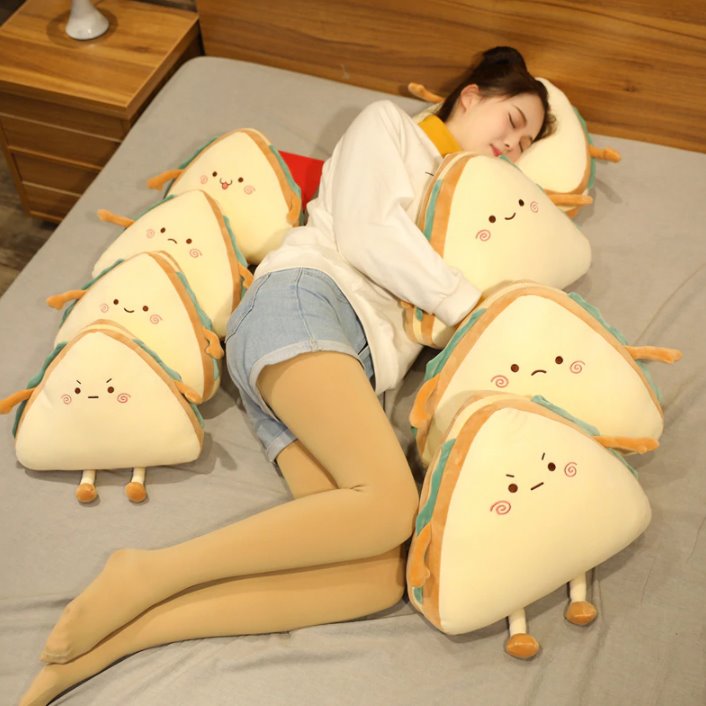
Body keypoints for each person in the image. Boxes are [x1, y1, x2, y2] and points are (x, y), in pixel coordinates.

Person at [19, 46, 554, 705]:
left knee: (379, 578)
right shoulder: (392, 128)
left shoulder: (473, 209)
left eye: (526, 143)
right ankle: (149, 573)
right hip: (304, 302)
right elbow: (364, 230)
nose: (514, 144)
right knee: (392, 503)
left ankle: (124, 638)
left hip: (338, 365)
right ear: (471, 97)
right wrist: (469, 306)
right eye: (513, 120)